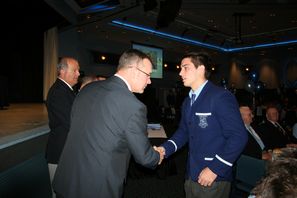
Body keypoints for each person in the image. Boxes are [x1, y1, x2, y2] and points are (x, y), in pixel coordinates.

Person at [53, 49, 163, 198]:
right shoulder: (134, 106)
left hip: (66, 180)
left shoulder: (87, 89)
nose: (149, 81)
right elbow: (145, 157)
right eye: (148, 75)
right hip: (96, 188)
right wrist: (157, 155)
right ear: (135, 71)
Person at [156, 52, 248, 198]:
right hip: (191, 173)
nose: (180, 73)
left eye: (185, 68)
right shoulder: (188, 101)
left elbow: (239, 136)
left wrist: (215, 169)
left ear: (201, 69)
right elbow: (183, 132)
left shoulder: (220, 96)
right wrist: (164, 149)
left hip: (213, 177)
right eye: (180, 68)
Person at [45, 57, 80, 197]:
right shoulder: (59, 92)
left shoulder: (67, 90)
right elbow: (71, 122)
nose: (78, 73)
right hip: (60, 153)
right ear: (62, 71)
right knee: (59, 193)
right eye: (75, 70)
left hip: (66, 151)